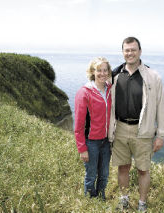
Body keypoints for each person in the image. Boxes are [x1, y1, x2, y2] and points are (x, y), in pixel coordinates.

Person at [108, 37, 164, 211]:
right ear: (123, 52)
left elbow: (161, 106)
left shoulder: (152, 76)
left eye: (133, 50)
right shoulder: (114, 75)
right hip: (119, 128)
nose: (130, 53)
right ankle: (124, 199)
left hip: (143, 130)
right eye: (127, 50)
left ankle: (142, 203)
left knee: (143, 170)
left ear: (140, 51)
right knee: (123, 167)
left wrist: (161, 135)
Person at [74, 57, 112, 201]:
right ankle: (90, 201)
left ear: (108, 72)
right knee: (91, 175)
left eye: (105, 70)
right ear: (92, 72)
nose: (102, 73)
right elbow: (78, 125)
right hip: (91, 143)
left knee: (104, 174)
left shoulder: (109, 90)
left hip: (106, 141)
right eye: (99, 70)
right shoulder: (84, 92)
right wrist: (82, 148)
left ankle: (101, 198)